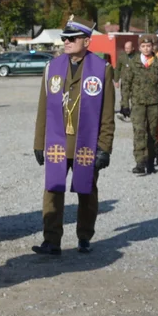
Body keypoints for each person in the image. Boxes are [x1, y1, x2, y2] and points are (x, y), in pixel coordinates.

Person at [32, 17, 114, 255]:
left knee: (87, 191)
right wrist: (39, 143)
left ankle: (85, 236)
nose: (66, 42)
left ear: (87, 41)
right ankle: (51, 240)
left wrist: (104, 148)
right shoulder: (53, 68)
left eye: (72, 38)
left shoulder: (102, 70)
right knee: (52, 190)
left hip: (86, 144)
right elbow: (43, 109)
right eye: (64, 38)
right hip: (58, 142)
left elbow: (107, 115)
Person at [119, 34, 158, 175]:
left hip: (155, 103)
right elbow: (126, 84)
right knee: (139, 132)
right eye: (143, 46)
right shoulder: (133, 63)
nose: (146, 49)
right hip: (138, 103)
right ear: (139, 48)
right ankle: (140, 162)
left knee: (153, 133)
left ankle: (150, 161)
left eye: (149, 46)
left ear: (153, 47)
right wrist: (124, 104)